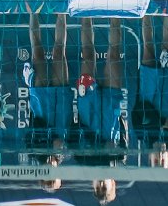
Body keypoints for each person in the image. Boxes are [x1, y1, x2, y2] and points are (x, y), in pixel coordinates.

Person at [68, 16, 125, 203]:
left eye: (97, 188)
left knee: (87, 55)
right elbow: (124, 130)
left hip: (87, 105)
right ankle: (117, 12)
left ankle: (85, 12)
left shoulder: (82, 160)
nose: (100, 184)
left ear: (92, 185)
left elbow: (71, 134)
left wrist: (81, 124)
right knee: (114, 55)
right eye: (104, 188)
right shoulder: (119, 157)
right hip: (111, 104)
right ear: (112, 183)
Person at [23, 12, 72, 187]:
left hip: (41, 102)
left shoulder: (34, 152)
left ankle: (33, 12)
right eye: (53, 178)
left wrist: (50, 142)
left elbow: (32, 127)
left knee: (37, 52)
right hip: (62, 102)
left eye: (46, 177)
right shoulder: (66, 153)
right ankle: (62, 12)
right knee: (59, 52)